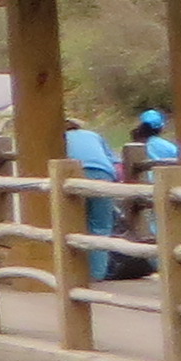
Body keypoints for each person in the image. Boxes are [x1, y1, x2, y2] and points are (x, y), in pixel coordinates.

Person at [67, 117, 129, 280]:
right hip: (102, 174)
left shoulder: (59, 139)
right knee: (101, 226)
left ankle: (74, 270)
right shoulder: (93, 135)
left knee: (71, 224)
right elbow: (115, 161)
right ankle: (97, 274)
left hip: (72, 176)